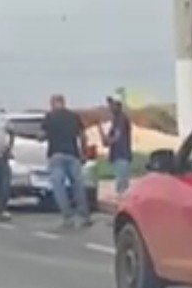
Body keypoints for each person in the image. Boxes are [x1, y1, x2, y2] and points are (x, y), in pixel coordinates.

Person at [41, 93, 91, 229]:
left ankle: (67, 217)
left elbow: (42, 135)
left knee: (59, 187)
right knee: (78, 186)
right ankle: (84, 216)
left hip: (56, 155)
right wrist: (84, 152)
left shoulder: (49, 117)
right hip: (73, 155)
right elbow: (82, 136)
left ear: (52, 104)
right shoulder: (73, 117)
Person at [99, 96, 133, 197]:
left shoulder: (121, 119)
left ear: (117, 105)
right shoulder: (115, 120)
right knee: (120, 178)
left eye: (111, 105)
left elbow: (116, 137)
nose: (109, 107)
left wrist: (108, 141)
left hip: (121, 153)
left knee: (122, 180)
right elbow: (108, 140)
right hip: (117, 154)